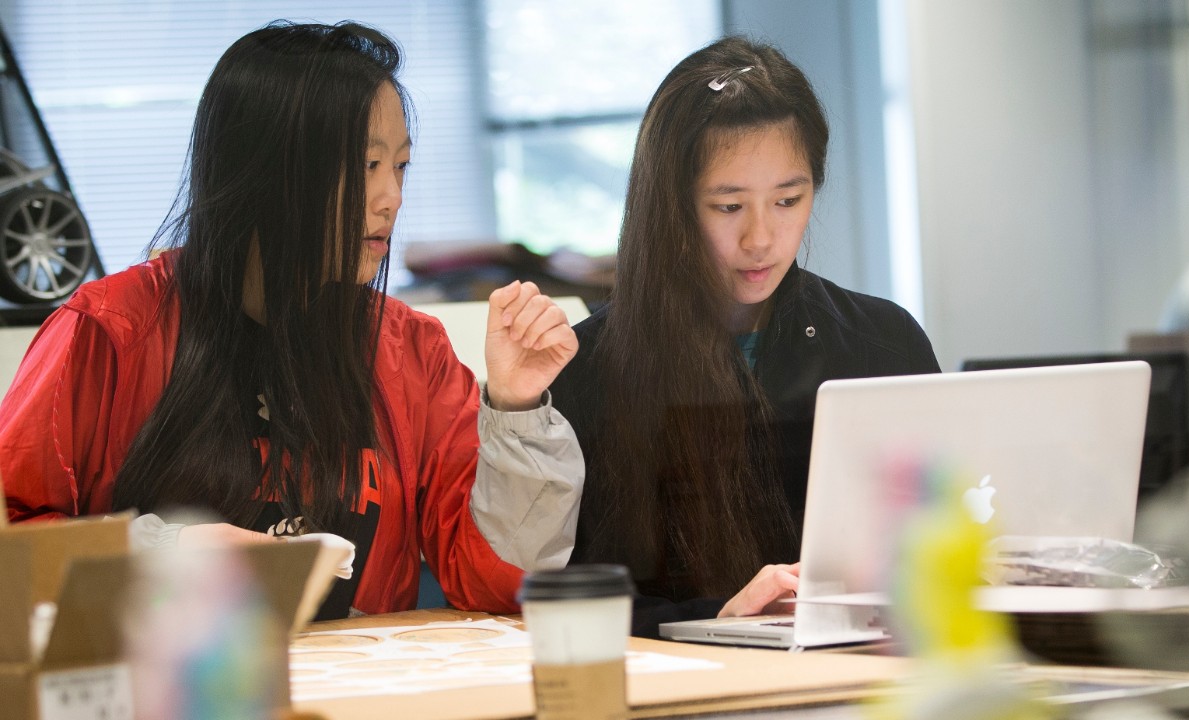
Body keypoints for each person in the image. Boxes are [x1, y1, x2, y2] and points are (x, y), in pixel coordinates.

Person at [0, 21, 583, 619]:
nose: (391, 198)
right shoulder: (108, 330)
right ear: (266, 171)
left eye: (400, 167)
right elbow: (14, 544)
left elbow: (496, 586)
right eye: (366, 165)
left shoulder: (410, 350)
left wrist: (515, 409)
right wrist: (155, 548)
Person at [550, 36, 940, 637]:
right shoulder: (587, 369)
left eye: (789, 199)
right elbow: (562, 606)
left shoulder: (883, 343)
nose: (762, 238)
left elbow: (936, 543)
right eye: (729, 207)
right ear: (672, 206)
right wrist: (718, 620)